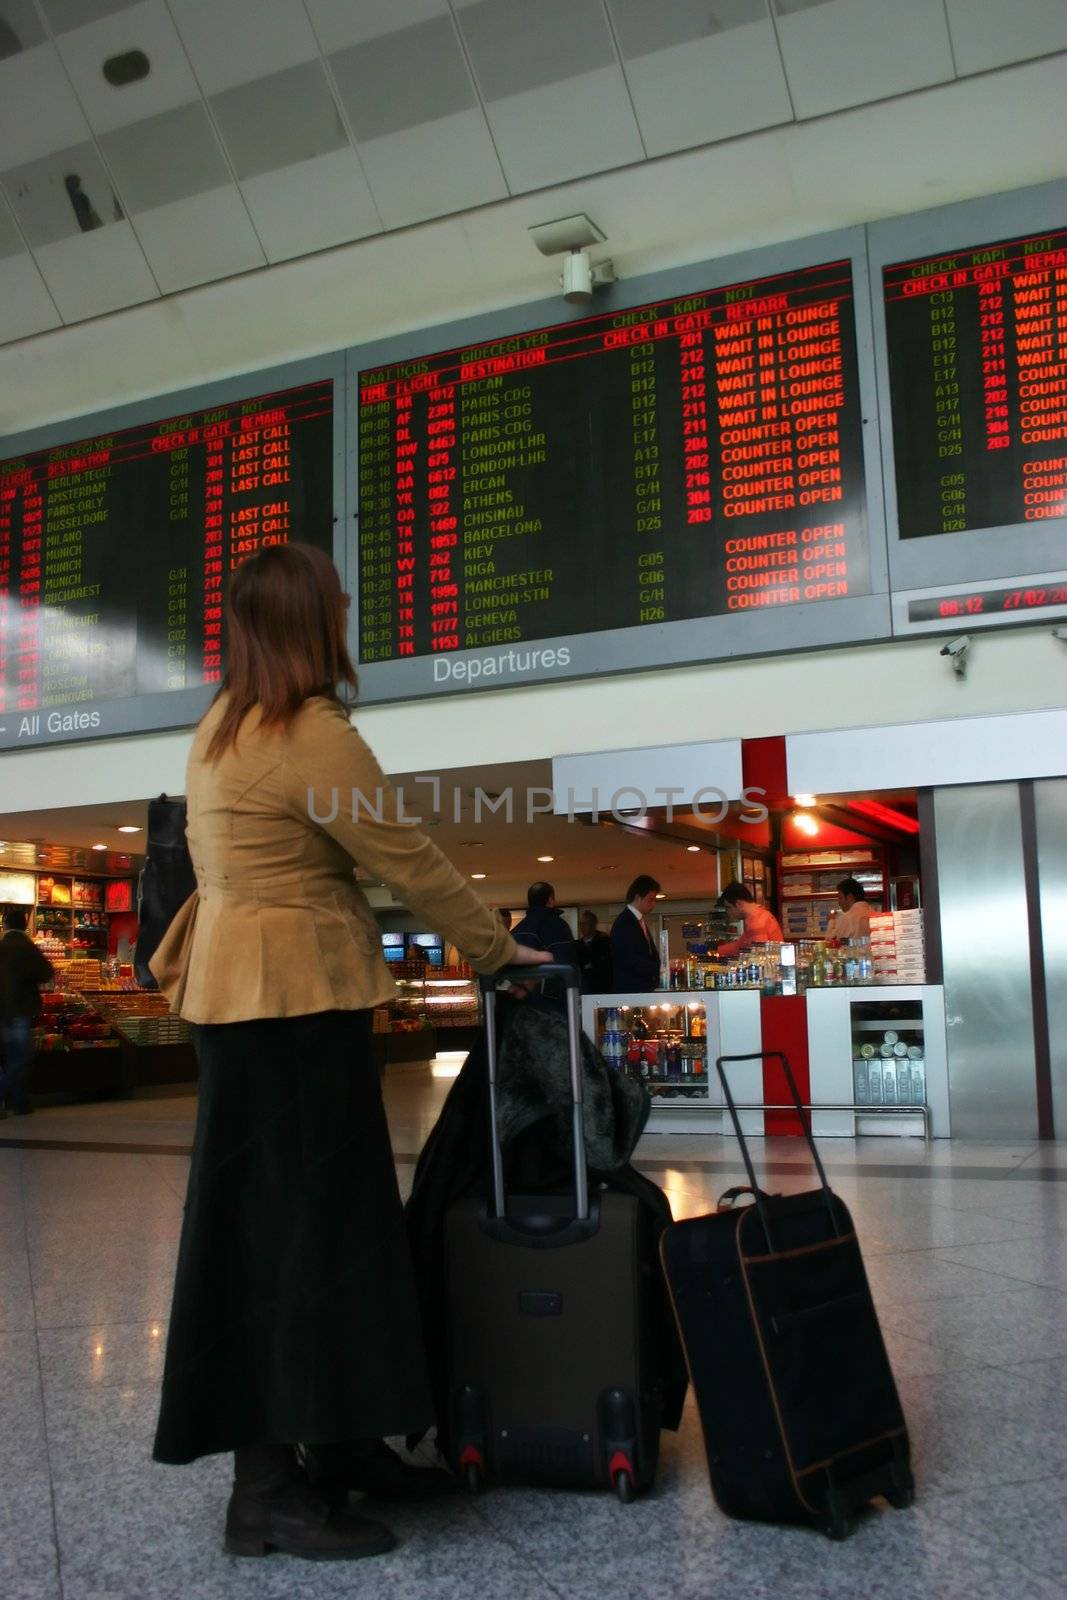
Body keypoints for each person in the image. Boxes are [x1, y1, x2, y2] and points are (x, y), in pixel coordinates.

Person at [148, 543, 550, 1564]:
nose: (349, 613)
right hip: (289, 1004)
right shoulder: (307, 733)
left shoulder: (222, 726)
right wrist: (498, 951)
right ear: (308, 621)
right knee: (291, 1240)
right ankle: (268, 1492)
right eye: (337, 603)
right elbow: (403, 853)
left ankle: (339, 1441)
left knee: (316, 1230)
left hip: (254, 1000)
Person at [0, 908, 54, 1117]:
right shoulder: (26, 946)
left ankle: (20, 1103)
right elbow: (46, 972)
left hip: (2, 1010)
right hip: (18, 1010)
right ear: (24, 925)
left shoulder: (2, 944)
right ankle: (13, 1098)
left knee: (9, 1058)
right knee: (19, 1057)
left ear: (5, 925)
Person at [610, 876, 662, 993]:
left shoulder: (636, 920)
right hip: (631, 988)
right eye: (650, 900)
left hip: (640, 986)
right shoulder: (625, 922)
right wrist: (658, 969)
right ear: (638, 897)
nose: (653, 904)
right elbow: (629, 958)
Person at [715, 880, 783, 957]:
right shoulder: (761, 914)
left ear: (738, 904)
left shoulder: (756, 924)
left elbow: (759, 958)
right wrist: (713, 951)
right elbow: (738, 946)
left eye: (728, 907)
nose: (728, 912)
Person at [576, 909, 613, 993]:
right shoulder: (577, 945)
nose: (582, 927)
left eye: (585, 924)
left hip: (603, 987)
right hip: (585, 988)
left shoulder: (604, 941)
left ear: (593, 925)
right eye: (580, 924)